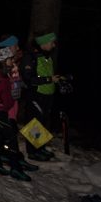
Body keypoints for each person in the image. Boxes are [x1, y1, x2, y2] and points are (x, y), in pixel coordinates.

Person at [0, 45, 36, 181]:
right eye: (9, 59)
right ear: (3, 59)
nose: (12, 61)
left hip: (2, 110)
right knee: (10, 135)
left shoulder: (3, 73)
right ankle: (16, 168)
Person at [19, 31, 62, 161]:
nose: (54, 45)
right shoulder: (31, 57)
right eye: (51, 43)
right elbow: (28, 78)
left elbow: (45, 74)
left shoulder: (47, 57)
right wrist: (49, 79)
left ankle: (40, 148)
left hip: (47, 95)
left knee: (42, 121)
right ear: (43, 44)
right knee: (34, 122)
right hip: (36, 94)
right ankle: (33, 152)